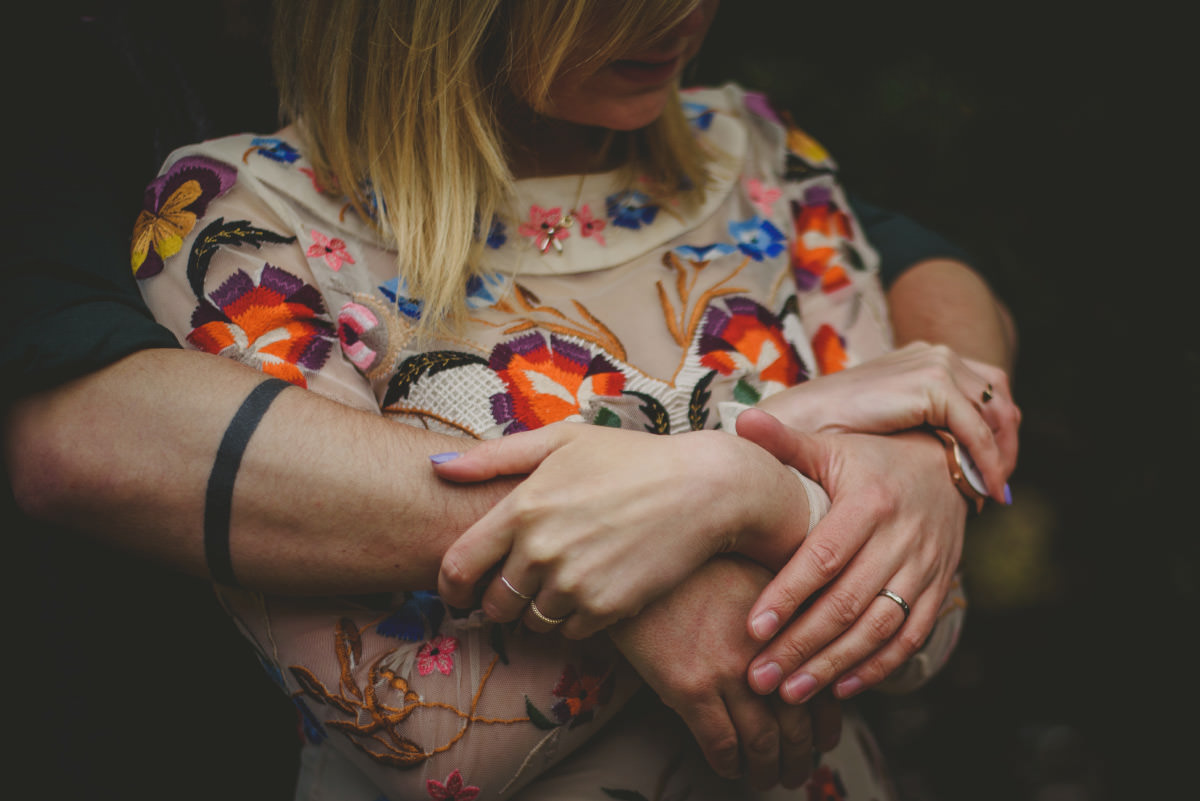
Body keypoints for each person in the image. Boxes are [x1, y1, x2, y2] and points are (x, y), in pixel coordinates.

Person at [4, 1, 1018, 797]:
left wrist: (715, 509)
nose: (682, 8)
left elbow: (926, 632)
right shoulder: (243, 223)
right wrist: (758, 481)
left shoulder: (757, 158)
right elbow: (433, 739)